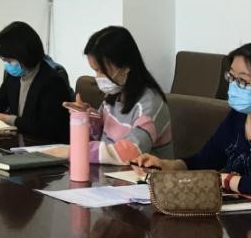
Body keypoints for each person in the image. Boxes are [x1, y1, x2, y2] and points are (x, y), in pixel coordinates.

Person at [133, 40, 251, 199]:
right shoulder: (238, 116)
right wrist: (166, 166)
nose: (234, 86)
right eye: (231, 77)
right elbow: (204, 161)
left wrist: (226, 180)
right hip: (236, 214)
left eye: (243, 81)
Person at [64, 26, 173, 164]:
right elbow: (100, 136)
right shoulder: (114, 94)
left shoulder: (150, 104)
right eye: (95, 71)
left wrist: (74, 151)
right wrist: (86, 116)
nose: (97, 77)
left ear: (126, 65)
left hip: (144, 176)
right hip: (112, 173)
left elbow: (130, 152)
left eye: (101, 70)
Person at [0, 21, 71, 143]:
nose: (7, 66)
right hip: (21, 142)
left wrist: (8, 119)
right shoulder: (14, 76)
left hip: (45, 146)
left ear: (25, 54)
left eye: (9, 61)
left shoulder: (52, 81)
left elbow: (48, 128)